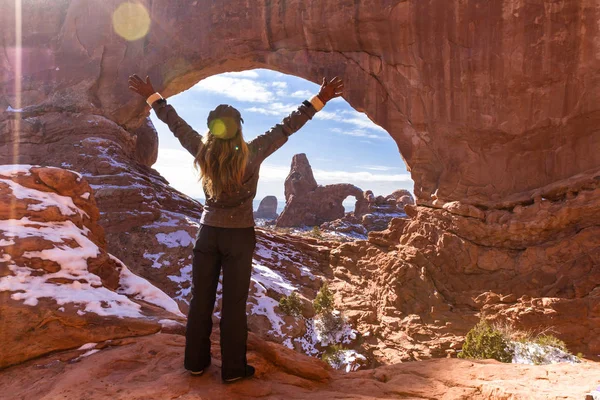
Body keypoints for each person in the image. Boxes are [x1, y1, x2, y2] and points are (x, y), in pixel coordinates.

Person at [128, 72, 344, 383]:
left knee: (200, 300)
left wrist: (153, 96)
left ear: (212, 132)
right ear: (239, 129)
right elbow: (287, 126)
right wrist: (320, 98)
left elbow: (176, 125)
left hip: (208, 234)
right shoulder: (252, 152)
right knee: (234, 304)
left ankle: (195, 362)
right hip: (240, 236)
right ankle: (232, 370)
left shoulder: (203, 152)